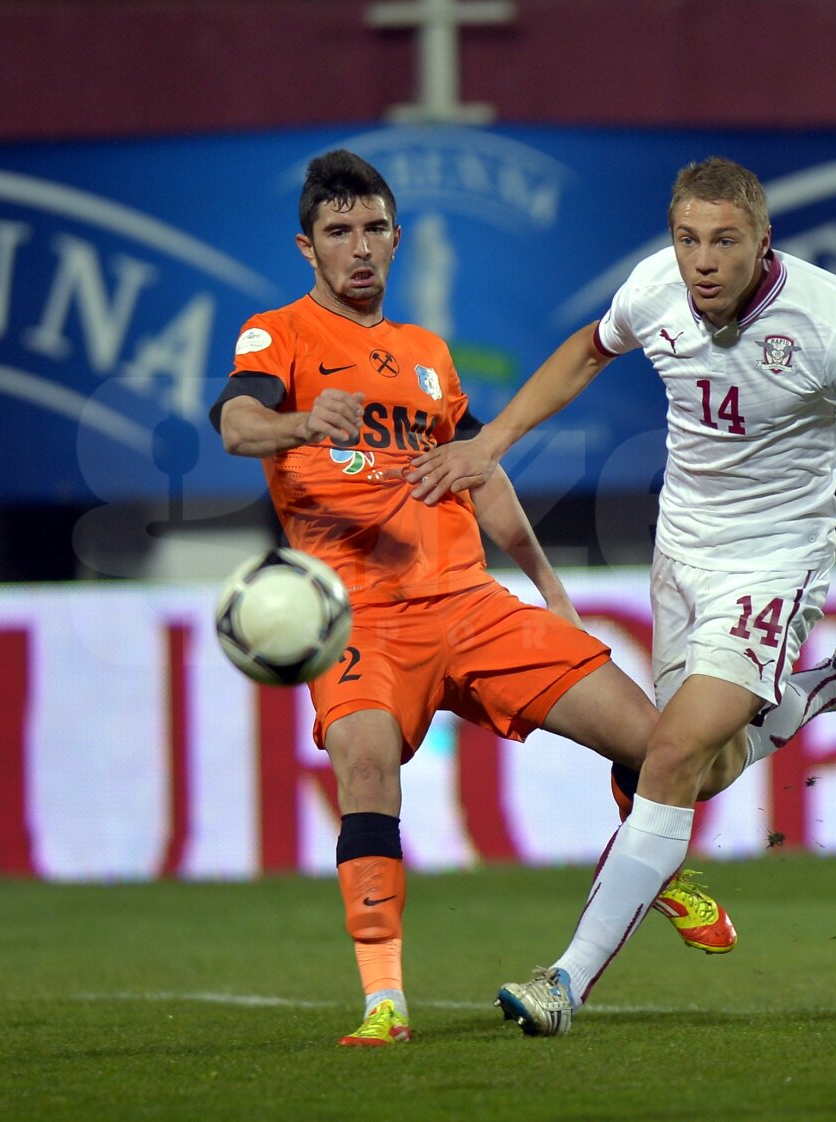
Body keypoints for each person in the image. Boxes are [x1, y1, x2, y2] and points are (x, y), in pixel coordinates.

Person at [408, 156, 836, 1036]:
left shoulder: (833, 321)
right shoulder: (655, 288)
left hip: (775, 564)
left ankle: (564, 983)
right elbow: (586, 350)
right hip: (680, 552)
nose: (703, 261)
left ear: (765, 243)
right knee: (698, 765)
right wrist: (491, 442)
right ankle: (835, 684)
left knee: (674, 753)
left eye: (725, 241)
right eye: (689, 239)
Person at [208, 149, 743, 1048]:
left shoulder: (427, 354)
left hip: (469, 603)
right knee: (367, 770)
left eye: (374, 228)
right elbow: (235, 425)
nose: (360, 248)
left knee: (657, 740)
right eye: (338, 233)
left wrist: (547, 586)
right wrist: (304, 421)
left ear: (397, 238)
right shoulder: (278, 335)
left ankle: (653, 872)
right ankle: (384, 999)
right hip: (357, 619)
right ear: (308, 247)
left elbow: (476, 472)